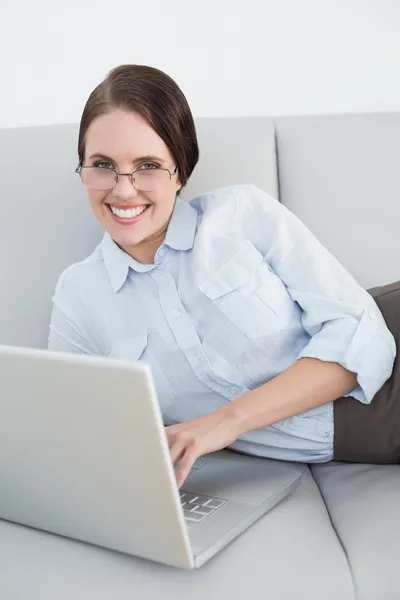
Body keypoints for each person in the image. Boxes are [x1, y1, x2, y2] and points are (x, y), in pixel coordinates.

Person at [48, 64, 400, 488]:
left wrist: (225, 423)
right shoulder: (79, 296)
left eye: (148, 166)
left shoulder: (240, 215)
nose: (123, 190)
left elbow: (360, 333)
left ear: (180, 171)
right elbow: (73, 433)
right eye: (103, 164)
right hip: (357, 438)